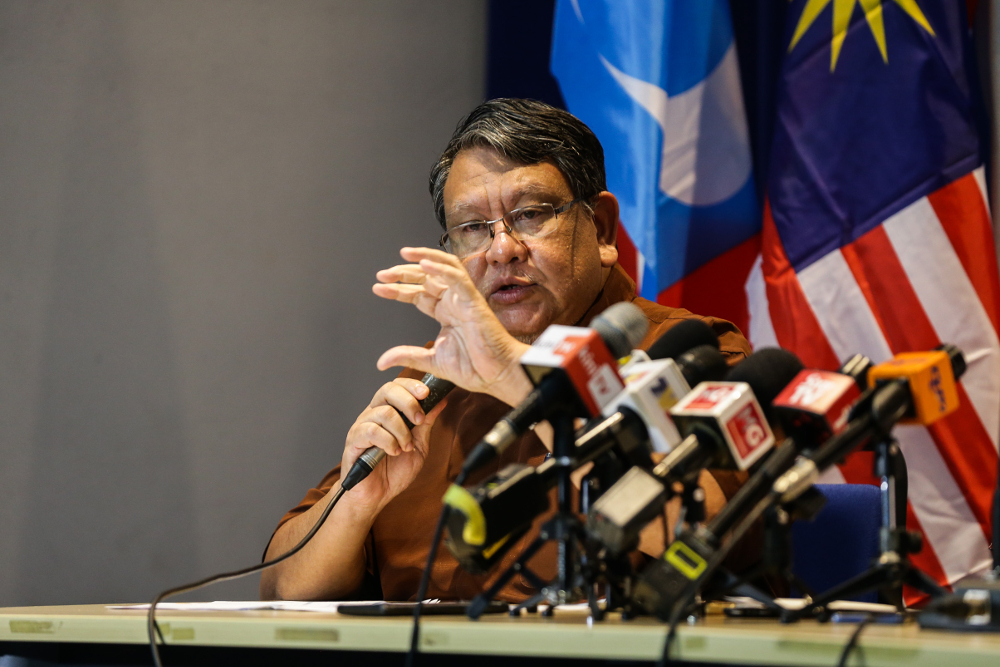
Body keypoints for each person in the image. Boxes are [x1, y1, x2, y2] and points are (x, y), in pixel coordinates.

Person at [259, 99, 751, 602]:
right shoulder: (435, 377)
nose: (501, 250)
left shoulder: (692, 352)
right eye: (472, 228)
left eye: (532, 214)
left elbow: (718, 534)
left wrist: (516, 379)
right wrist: (356, 505)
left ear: (601, 228)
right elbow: (281, 589)